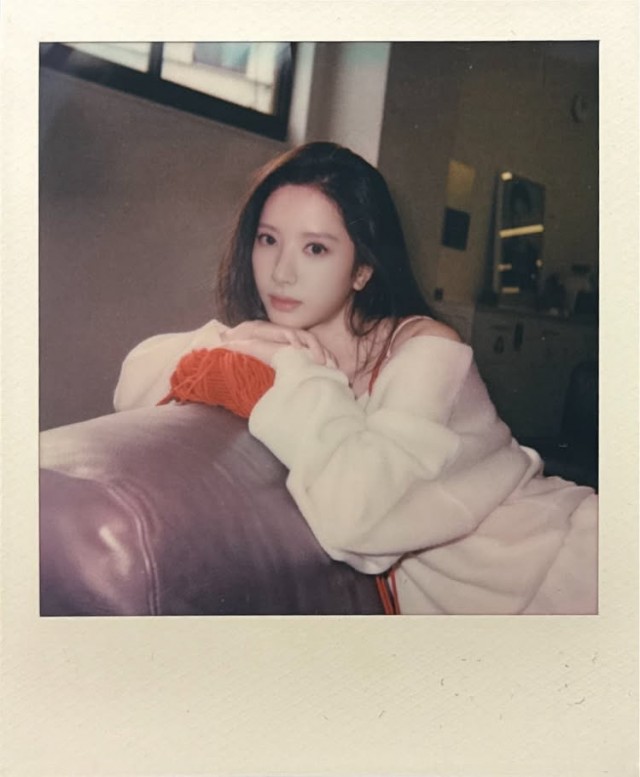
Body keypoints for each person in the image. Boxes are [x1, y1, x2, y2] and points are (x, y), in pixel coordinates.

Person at [114, 142, 598, 615]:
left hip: (568, 571)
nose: (282, 272)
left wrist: (293, 370)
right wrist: (238, 340)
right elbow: (134, 384)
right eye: (268, 240)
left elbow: (361, 520)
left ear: (362, 269)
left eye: (315, 248)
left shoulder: (428, 349)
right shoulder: (274, 340)